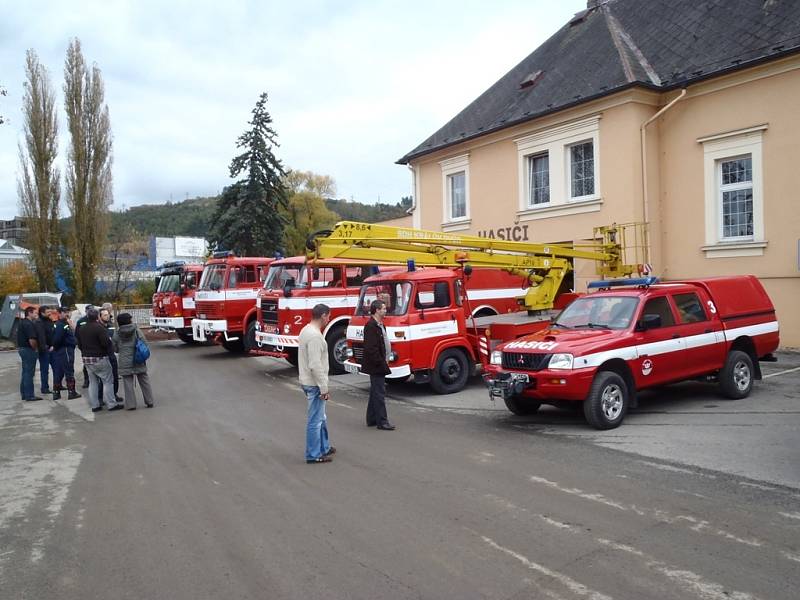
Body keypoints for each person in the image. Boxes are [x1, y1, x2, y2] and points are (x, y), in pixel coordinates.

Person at [298, 303, 335, 464]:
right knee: (315, 420)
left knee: (321, 417)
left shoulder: (306, 330)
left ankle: (324, 447)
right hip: (314, 384)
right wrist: (324, 387)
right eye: (329, 316)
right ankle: (313, 454)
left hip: (308, 381)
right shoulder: (314, 337)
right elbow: (315, 364)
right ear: (323, 316)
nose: (329, 319)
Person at [75, 307, 122, 412]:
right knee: (108, 381)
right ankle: (111, 404)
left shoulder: (82, 328)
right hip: (100, 358)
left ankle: (95, 405)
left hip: (87, 359)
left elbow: (79, 343)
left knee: (93, 383)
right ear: (97, 317)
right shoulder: (99, 328)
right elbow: (106, 343)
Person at [362, 299, 394, 430]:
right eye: (383, 308)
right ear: (376, 310)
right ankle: (382, 421)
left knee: (375, 392)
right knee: (380, 393)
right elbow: (371, 349)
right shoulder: (371, 326)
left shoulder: (380, 325)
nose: (385, 310)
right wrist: (381, 363)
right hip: (376, 366)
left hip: (380, 363)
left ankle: (371, 418)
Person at [112, 312, 154, 410]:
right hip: (138, 358)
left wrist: (121, 350)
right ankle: (149, 401)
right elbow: (144, 343)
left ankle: (131, 405)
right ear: (129, 320)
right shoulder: (136, 331)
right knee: (144, 379)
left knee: (127, 383)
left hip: (124, 360)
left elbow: (114, 348)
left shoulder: (117, 333)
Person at [51, 306, 82, 400]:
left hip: (64, 349)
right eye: (64, 312)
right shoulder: (61, 324)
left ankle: (56, 393)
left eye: (68, 312)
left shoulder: (65, 323)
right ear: (59, 314)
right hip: (65, 350)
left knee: (59, 371)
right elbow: (57, 339)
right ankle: (71, 392)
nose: (67, 314)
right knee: (69, 370)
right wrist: (56, 347)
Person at [17, 306, 42, 402]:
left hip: (23, 349)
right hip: (28, 350)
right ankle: (29, 395)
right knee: (29, 373)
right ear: (30, 313)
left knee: (25, 372)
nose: (36, 314)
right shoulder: (29, 324)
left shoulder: (22, 323)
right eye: (35, 313)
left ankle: (24, 393)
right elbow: (32, 339)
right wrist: (35, 349)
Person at [99, 307, 123, 404]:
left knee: (114, 376)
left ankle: (114, 394)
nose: (107, 316)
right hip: (102, 355)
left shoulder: (111, 326)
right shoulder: (98, 327)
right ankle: (99, 398)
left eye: (108, 314)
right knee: (102, 379)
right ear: (99, 317)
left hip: (111, 354)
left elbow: (115, 338)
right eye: (104, 315)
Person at [34, 305, 54, 395]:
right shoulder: (39, 322)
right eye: (48, 312)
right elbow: (41, 336)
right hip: (45, 350)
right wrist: (45, 347)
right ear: (42, 313)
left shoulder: (49, 320)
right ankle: (45, 388)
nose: (50, 314)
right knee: (44, 370)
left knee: (57, 368)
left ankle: (58, 385)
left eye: (50, 312)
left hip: (53, 348)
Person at [75, 305, 93, 388]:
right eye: (89, 310)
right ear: (86, 311)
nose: (90, 311)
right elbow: (77, 335)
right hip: (85, 347)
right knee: (86, 364)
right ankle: (87, 380)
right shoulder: (81, 321)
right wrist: (80, 345)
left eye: (92, 310)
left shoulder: (96, 319)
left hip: (96, 347)